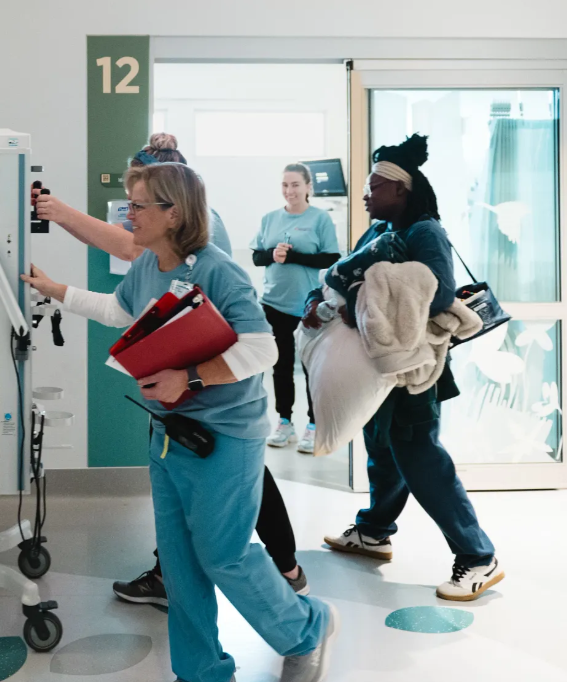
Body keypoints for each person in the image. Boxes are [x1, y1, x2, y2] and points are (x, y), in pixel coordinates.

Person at [24, 162, 338, 682]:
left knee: (224, 555)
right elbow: (120, 312)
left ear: (173, 214)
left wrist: (188, 378)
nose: (129, 215)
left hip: (226, 436)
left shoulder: (218, 270)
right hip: (169, 435)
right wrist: (54, 289)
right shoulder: (148, 263)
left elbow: (263, 347)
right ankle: (201, 671)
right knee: (180, 562)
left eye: (138, 206)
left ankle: (308, 626)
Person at [310, 134, 504, 602]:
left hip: (416, 369)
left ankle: (479, 557)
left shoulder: (426, 233)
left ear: (402, 190)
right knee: (382, 449)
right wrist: (320, 299)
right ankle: (374, 531)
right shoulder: (377, 233)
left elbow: (437, 295)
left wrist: (359, 298)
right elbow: (347, 273)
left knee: (421, 458)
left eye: (376, 185)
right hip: (380, 366)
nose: (367, 193)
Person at [251, 164, 341, 453]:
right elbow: (257, 257)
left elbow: (330, 257)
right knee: (280, 367)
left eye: (295, 185)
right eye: (285, 185)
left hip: (307, 306)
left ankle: (314, 425)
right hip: (273, 303)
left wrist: (294, 257)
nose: (289, 191)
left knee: (312, 368)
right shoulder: (270, 218)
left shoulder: (320, 219)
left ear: (308, 187)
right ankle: (284, 421)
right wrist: (272, 254)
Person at [35, 133, 233, 259]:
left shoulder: (192, 218)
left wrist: (62, 212)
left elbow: (130, 249)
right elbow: (98, 238)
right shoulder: (157, 214)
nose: (131, 212)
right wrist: (54, 213)